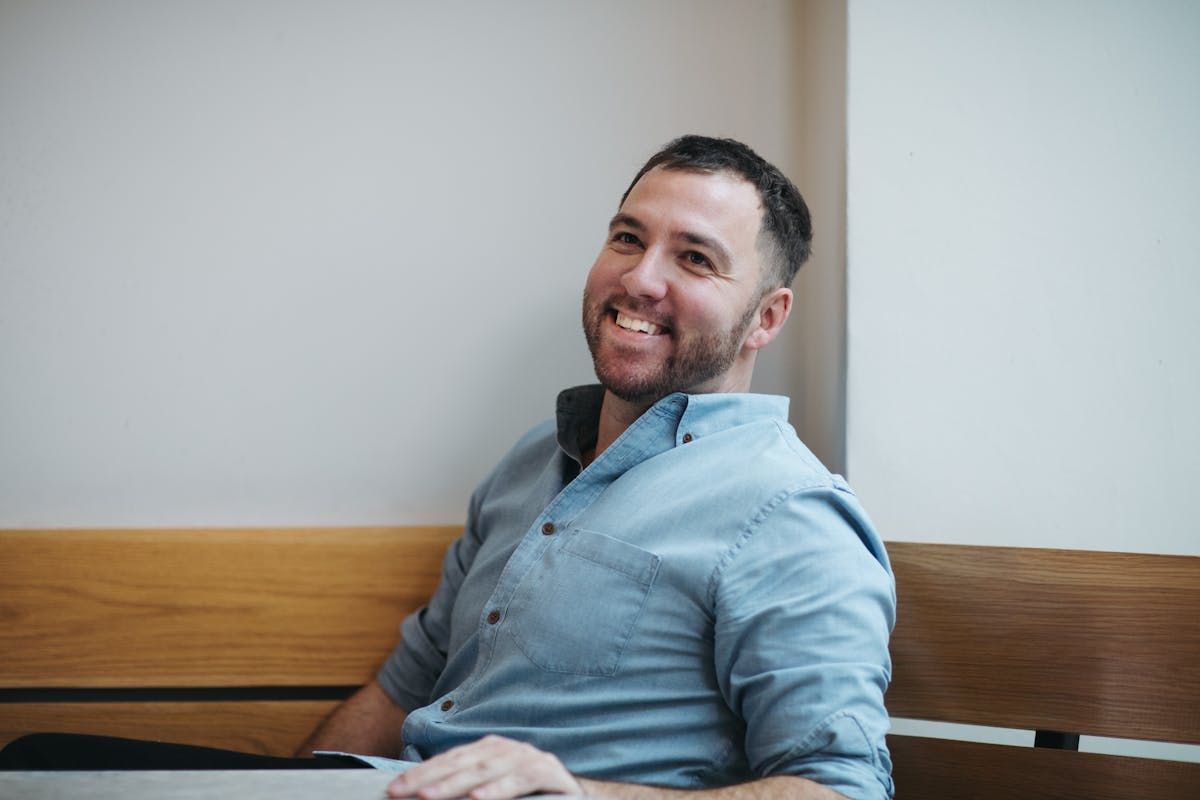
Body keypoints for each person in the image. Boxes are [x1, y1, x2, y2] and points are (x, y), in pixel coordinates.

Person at [1, 136, 895, 800]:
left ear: (767, 317)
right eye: (628, 238)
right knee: (38, 765)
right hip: (382, 787)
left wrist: (574, 794)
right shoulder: (529, 464)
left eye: (694, 258)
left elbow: (842, 788)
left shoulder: (789, 510)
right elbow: (403, 685)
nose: (641, 279)